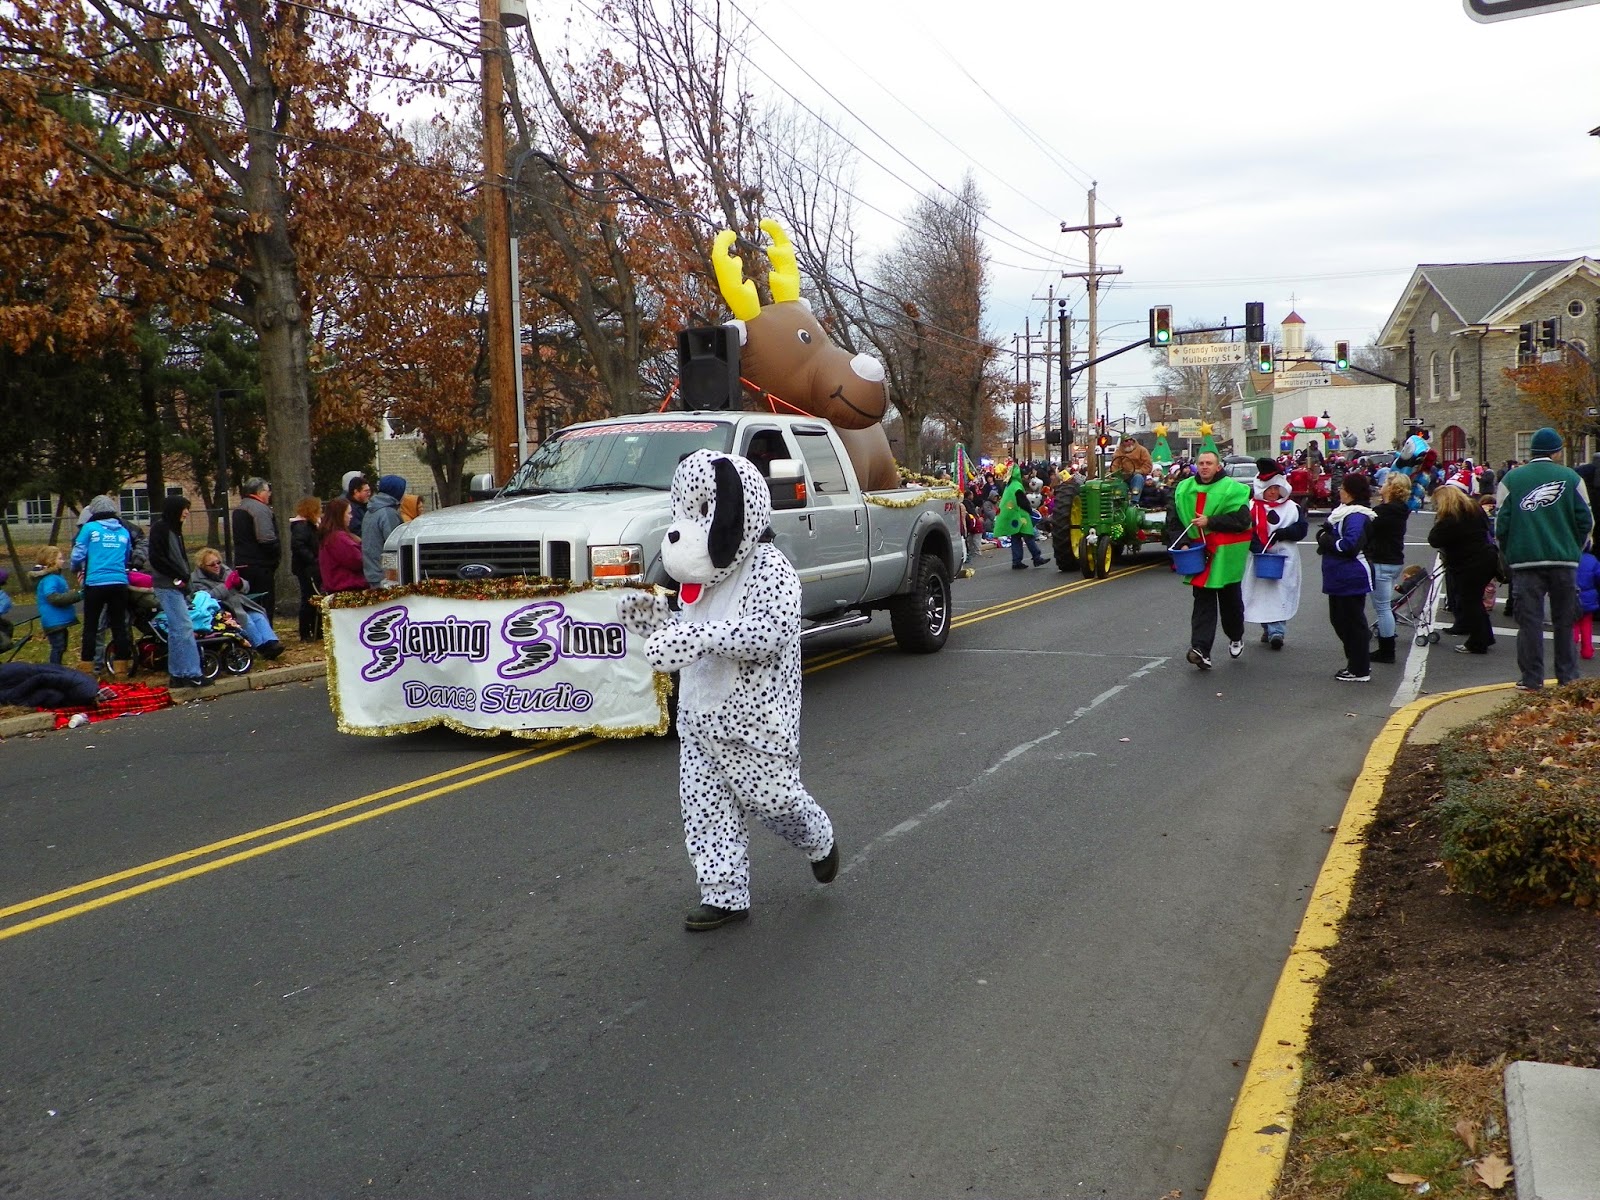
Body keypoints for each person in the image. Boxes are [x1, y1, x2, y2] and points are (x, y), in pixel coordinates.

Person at [1495, 427, 1594, 691]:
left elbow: (1501, 525)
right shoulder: (1571, 477)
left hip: (1526, 561)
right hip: (1563, 560)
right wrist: (1575, 549)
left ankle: (1531, 678)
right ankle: (1568, 676)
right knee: (1565, 620)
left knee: (1529, 623)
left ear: (1532, 451)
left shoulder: (1511, 480)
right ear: (1557, 450)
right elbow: (1586, 520)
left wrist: (1509, 551)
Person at [1168, 449, 1253, 669]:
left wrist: (1211, 521)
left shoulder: (1233, 489)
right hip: (1199, 552)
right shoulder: (1183, 489)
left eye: (1209, 463)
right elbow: (1173, 520)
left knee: (1230, 602)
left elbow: (1242, 521)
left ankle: (1236, 635)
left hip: (1226, 554)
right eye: (1202, 463)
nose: (1205, 467)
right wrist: (1183, 541)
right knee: (1203, 601)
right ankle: (1201, 649)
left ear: (1218, 467)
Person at [1241, 460, 1307, 651]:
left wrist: (1285, 533)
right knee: (1262, 594)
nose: (1272, 492)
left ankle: (1277, 630)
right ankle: (1267, 626)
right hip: (1260, 558)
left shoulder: (1291, 508)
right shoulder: (1251, 507)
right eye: (1269, 488)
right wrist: (1257, 547)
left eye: (1276, 488)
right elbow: (1246, 530)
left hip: (1285, 558)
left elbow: (1301, 529)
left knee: (1280, 592)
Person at [1428, 481, 1500, 656]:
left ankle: (1478, 641)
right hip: (1486, 559)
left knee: (1470, 601)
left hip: (1468, 564)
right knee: (1474, 600)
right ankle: (1484, 635)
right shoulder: (1474, 510)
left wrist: (1439, 520)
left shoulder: (1452, 518)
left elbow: (1434, 539)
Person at [147, 494, 210, 689]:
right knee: (184, 627)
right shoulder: (162, 528)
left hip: (174, 583)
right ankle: (191, 673)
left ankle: (178, 673)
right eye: (184, 508)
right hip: (167, 585)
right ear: (174, 509)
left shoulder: (174, 529)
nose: (187, 512)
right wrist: (180, 574)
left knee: (177, 630)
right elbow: (157, 558)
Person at [1317, 474, 1375, 682]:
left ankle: (1359, 668)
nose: (1338, 490)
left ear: (1351, 492)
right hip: (1340, 577)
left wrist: (1326, 540)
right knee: (1340, 621)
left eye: (1342, 487)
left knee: (1351, 623)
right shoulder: (1344, 513)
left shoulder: (1357, 516)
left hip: (1352, 576)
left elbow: (1349, 546)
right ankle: (1356, 662)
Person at [70, 495, 133, 677]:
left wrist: (77, 569)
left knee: (91, 625)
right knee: (119, 625)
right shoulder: (123, 531)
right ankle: (122, 668)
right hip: (119, 582)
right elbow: (127, 555)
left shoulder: (89, 528)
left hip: (95, 582)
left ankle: (87, 667)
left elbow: (77, 554)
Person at [190, 547, 284, 658]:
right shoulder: (196, 580)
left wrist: (240, 583)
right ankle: (260, 647)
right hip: (222, 608)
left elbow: (246, 588)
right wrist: (226, 586)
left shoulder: (225, 570)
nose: (216, 566)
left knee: (258, 616)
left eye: (218, 562)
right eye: (212, 564)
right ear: (203, 566)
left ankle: (271, 642)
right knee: (246, 620)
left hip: (239, 603)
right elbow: (207, 597)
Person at [1366, 472, 1414, 664]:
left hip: (1382, 560)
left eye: (1386, 482)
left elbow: (1369, 531)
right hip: (1393, 560)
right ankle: (1387, 645)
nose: (1382, 485)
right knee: (1384, 607)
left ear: (1393, 488)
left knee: (1383, 608)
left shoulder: (1384, 512)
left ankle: (1387, 650)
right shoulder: (1400, 510)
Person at [231, 477, 280, 620]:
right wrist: (275, 555)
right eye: (267, 491)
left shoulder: (240, 507)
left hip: (243, 562)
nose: (269, 494)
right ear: (259, 492)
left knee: (249, 601)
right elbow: (266, 539)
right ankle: (267, 636)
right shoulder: (259, 509)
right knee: (264, 601)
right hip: (260, 564)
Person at [29, 547, 81, 665]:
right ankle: (54, 670)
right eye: (60, 558)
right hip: (54, 621)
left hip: (58, 620)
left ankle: (57, 670)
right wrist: (77, 595)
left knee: (61, 647)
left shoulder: (56, 576)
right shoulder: (50, 579)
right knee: (58, 647)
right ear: (51, 561)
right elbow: (53, 598)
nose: (63, 561)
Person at [995, 465, 1048, 570]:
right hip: (1020, 515)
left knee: (1016, 538)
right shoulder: (1017, 486)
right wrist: (1030, 510)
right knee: (1028, 536)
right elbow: (1022, 501)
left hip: (1013, 516)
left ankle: (1016, 561)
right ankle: (1036, 557)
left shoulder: (1009, 485)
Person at [361, 474, 407, 587]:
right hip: (385, 576)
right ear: (397, 491)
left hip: (372, 571)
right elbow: (394, 545)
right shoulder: (388, 513)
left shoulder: (371, 510)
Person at [289, 496, 324, 641]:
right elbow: (298, 546)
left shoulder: (309, 525)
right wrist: (313, 560)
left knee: (313, 598)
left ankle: (316, 630)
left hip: (310, 567)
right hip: (306, 568)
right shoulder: (302, 526)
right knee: (308, 599)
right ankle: (305, 632)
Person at [317, 497, 367, 593]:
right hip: (346, 587)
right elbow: (356, 560)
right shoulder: (338, 538)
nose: (351, 516)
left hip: (339, 586)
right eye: (348, 513)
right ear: (340, 515)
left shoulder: (330, 535)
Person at [1575, 546, 1600, 661]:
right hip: (1588, 598)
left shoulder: (1570, 558)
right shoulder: (1592, 559)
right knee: (1586, 625)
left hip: (1571, 596)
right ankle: (1587, 651)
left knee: (1571, 623)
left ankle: (1570, 648)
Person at [1111, 435, 1152, 501]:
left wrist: (1139, 471)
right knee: (1116, 482)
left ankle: (1134, 501)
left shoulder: (1142, 450)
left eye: (1131, 440)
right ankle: (1118, 502)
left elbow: (1148, 465)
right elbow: (1114, 466)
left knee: (1138, 478)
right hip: (1123, 477)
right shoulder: (1118, 453)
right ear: (1122, 443)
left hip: (1137, 475)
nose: (1129, 442)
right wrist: (1116, 473)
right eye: (1126, 441)